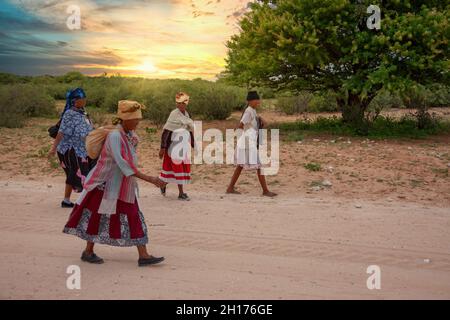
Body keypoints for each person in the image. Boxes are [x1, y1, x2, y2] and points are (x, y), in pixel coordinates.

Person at [62, 100, 167, 267]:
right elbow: (122, 163)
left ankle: (143, 255)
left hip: (123, 184)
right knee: (98, 215)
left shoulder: (131, 136)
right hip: (104, 184)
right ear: (125, 119)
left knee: (133, 215)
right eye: (135, 119)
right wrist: (151, 179)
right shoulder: (115, 137)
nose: (138, 122)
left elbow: (129, 161)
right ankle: (88, 251)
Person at [49, 88, 95, 208]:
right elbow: (61, 132)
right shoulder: (69, 113)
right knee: (77, 173)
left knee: (77, 173)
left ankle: (66, 200)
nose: (85, 100)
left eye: (85, 98)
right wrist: (53, 149)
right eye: (82, 98)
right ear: (75, 101)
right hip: (70, 149)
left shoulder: (83, 112)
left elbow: (88, 128)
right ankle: (79, 201)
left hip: (83, 149)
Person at [226, 91, 277, 197]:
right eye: (256, 100)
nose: (258, 101)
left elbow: (254, 125)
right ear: (250, 101)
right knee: (259, 165)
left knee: (241, 166)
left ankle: (230, 188)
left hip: (248, 142)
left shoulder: (253, 111)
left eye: (258, 100)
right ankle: (265, 191)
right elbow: (241, 125)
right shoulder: (249, 111)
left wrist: (260, 121)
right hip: (247, 142)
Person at [158, 92, 195, 201]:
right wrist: (162, 148)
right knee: (176, 169)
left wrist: (193, 144)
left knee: (176, 170)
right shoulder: (174, 115)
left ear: (186, 103)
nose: (180, 105)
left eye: (183, 103)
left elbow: (190, 130)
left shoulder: (187, 115)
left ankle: (163, 184)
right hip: (173, 147)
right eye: (178, 103)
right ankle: (181, 193)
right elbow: (166, 132)